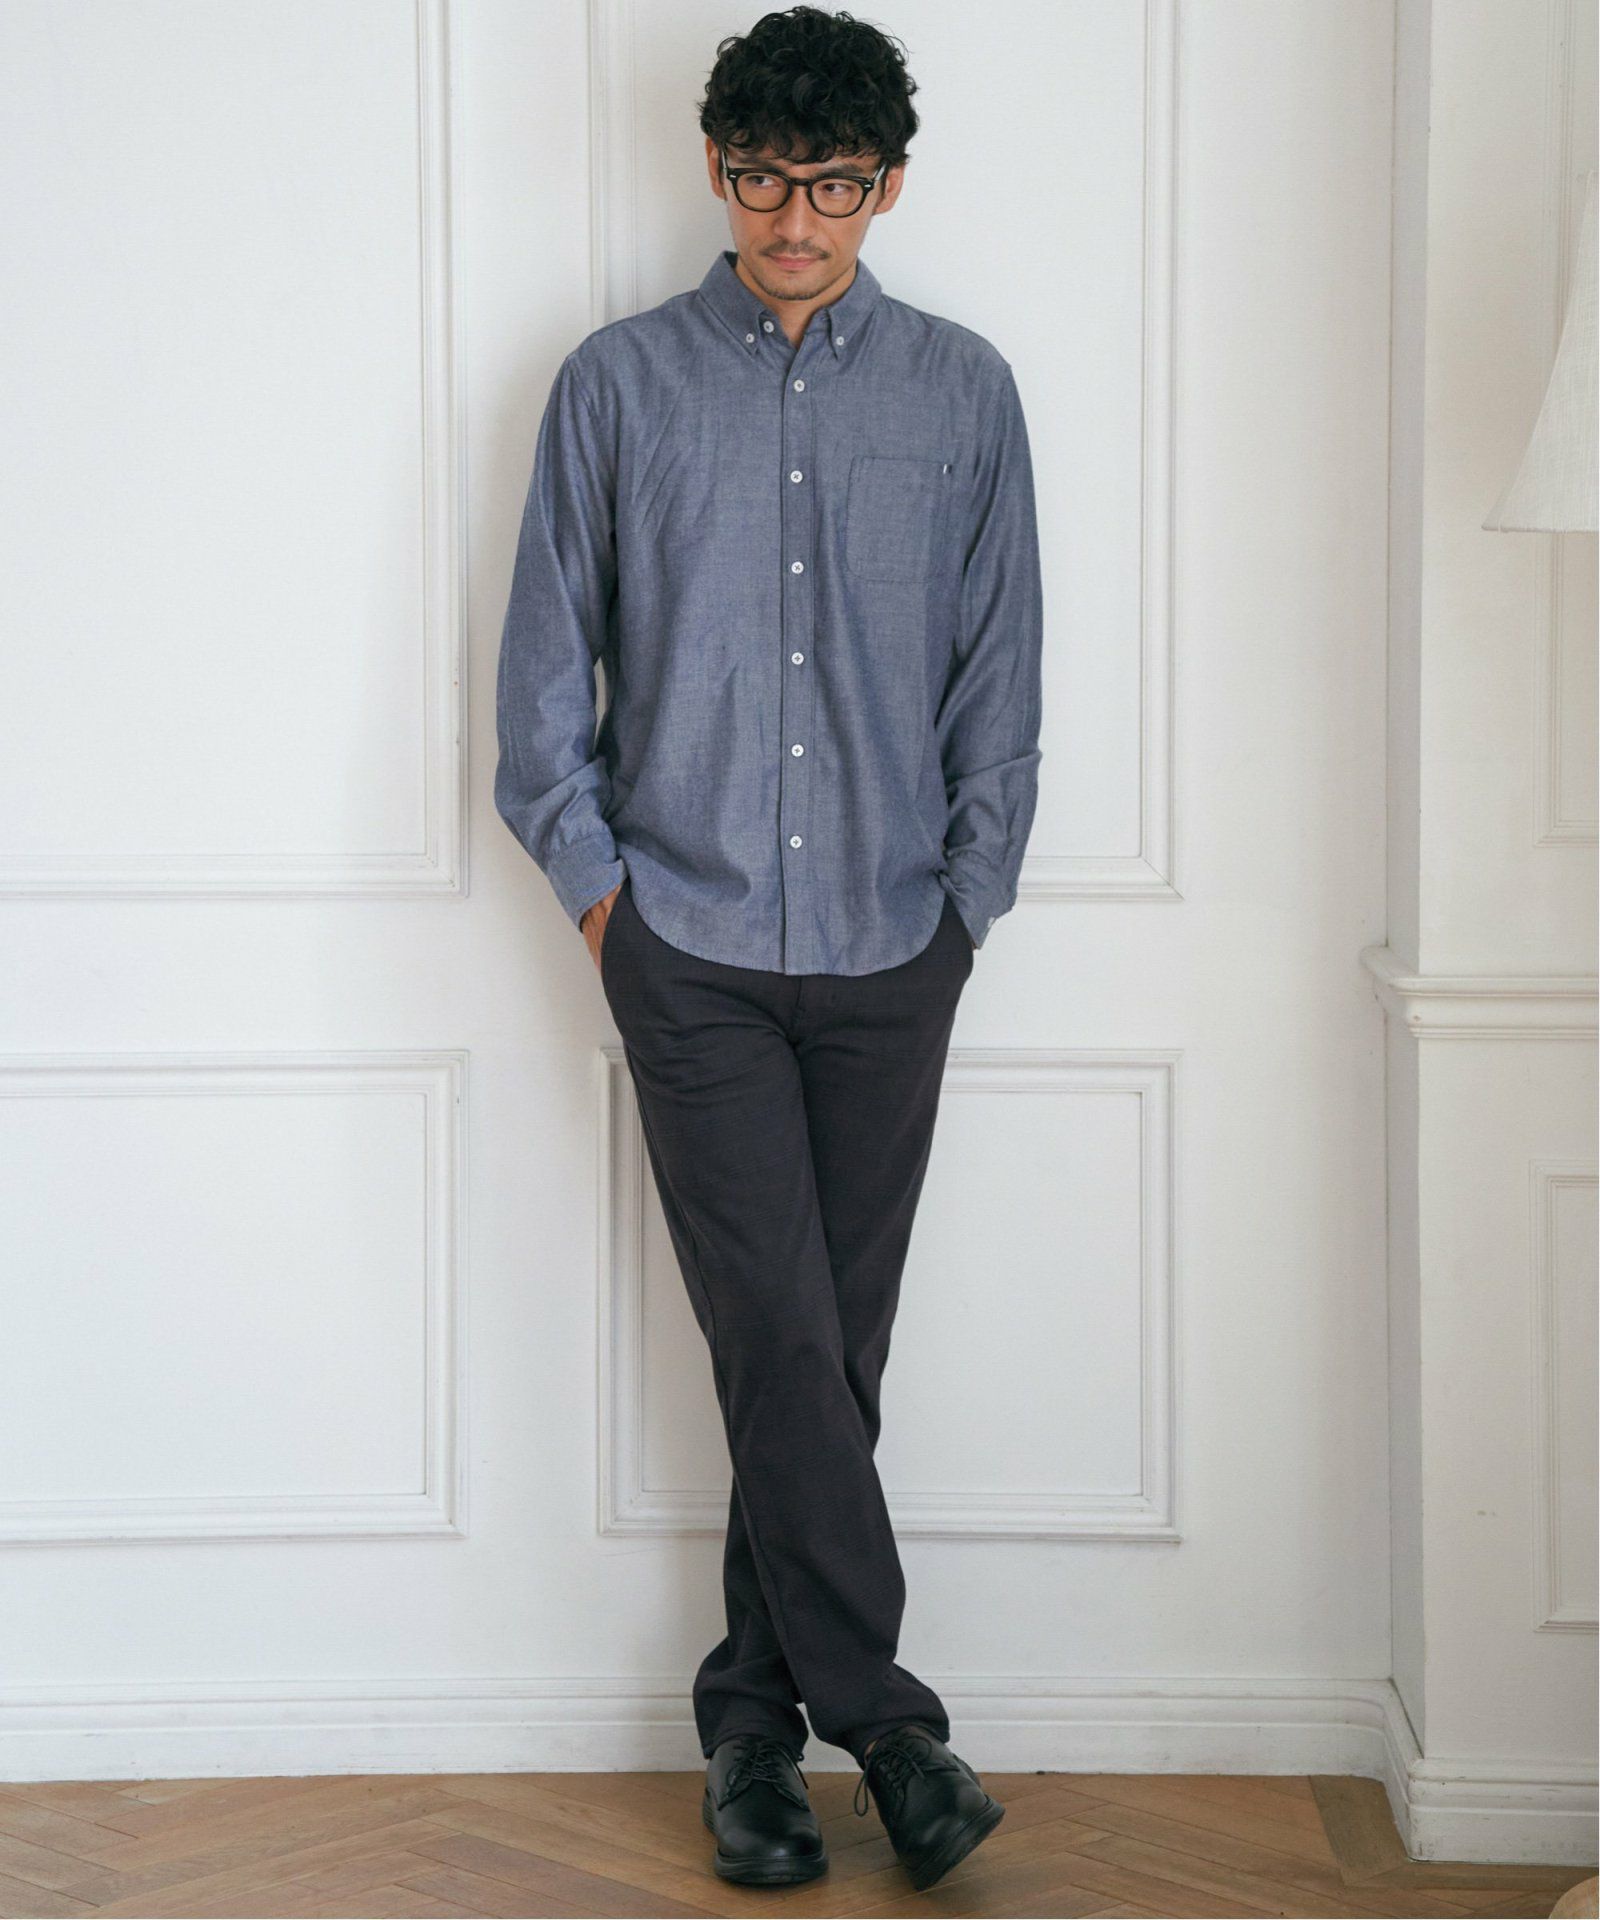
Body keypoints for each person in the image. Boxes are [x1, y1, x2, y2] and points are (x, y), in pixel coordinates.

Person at [494, 3, 1043, 1892]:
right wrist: (607, 904)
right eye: (760, 178)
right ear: (715, 171)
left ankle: (747, 1730)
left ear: (888, 187)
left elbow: (1002, 678)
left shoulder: (964, 394)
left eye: (832, 185)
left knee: (821, 1356)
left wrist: (965, 907)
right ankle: (891, 1730)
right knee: (786, 1333)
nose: (792, 219)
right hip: (692, 942)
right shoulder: (616, 386)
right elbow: (540, 684)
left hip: (896, 944)